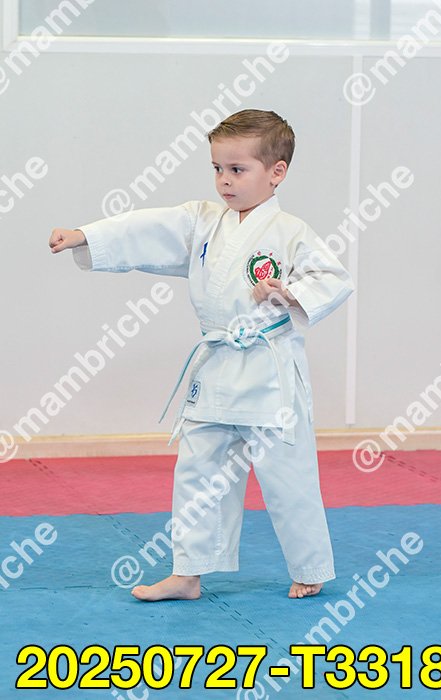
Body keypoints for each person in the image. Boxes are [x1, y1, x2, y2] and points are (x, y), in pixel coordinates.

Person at [49, 109, 354, 600]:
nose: (224, 180)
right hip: (216, 365)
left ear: (276, 172)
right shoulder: (203, 222)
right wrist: (88, 235)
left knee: (287, 476)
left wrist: (288, 292)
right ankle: (188, 573)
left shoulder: (292, 232)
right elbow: (147, 228)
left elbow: (334, 279)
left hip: (269, 370)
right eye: (217, 168)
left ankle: (310, 566)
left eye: (237, 169)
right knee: (197, 471)